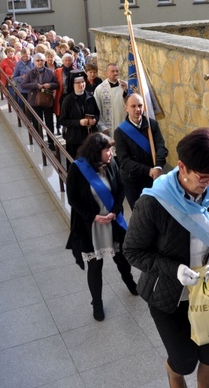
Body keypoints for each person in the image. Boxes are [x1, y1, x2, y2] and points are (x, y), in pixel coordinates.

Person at [123, 128, 209, 388]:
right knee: (184, 360)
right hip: (169, 293)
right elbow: (132, 251)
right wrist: (174, 269)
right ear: (183, 167)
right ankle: (173, 374)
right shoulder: (154, 202)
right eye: (203, 177)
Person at [65, 132, 138, 322]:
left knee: (121, 258)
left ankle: (130, 282)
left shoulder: (111, 164)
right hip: (92, 227)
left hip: (112, 221)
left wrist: (114, 211)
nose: (111, 153)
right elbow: (72, 198)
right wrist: (93, 216)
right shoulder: (77, 169)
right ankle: (96, 303)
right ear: (96, 151)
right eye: (107, 150)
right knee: (95, 266)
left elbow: (120, 188)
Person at [114, 93, 169, 209]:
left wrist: (158, 166)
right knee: (140, 214)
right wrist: (149, 170)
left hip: (154, 177)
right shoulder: (120, 132)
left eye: (140, 105)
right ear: (126, 108)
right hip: (133, 181)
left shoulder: (152, 125)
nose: (137, 109)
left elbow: (161, 147)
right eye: (133, 106)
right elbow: (124, 161)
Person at [21, 53, 60, 150]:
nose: (40, 62)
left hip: (47, 100)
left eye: (41, 60)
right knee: (37, 121)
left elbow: (56, 84)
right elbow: (23, 85)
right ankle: (40, 141)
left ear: (44, 61)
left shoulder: (49, 72)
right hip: (35, 101)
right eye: (37, 60)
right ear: (34, 62)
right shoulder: (30, 72)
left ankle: (51, 142)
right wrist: (35, 85)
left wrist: (49, 85)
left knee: (49, 122)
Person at [60, 70, 100, 161]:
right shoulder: (68, 100)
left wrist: (95, 120)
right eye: (77, 82)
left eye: (82, 82)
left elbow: (97, 113)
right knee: (75, 164)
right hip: (74, 138)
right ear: (72, 84)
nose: (81, 85)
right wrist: (79, 122)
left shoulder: (90, 97)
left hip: (89, 137)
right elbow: (62, 120)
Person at [94, 63, 128, 137]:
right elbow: (96, 109)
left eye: (117, 71)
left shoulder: (125, 85)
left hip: (124, 122)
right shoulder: (100, 89)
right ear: (107, 73)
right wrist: (101, 126)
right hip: (108, 126)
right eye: (113, 71)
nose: (115, 73)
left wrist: (126, 91)